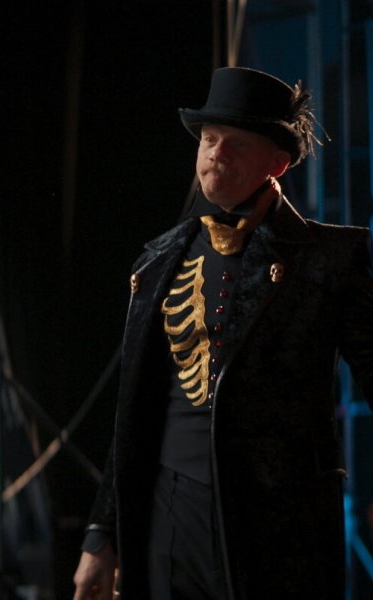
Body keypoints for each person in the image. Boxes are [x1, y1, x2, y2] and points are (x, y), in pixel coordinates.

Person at [73, 66, 373, 600]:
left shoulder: (326, 261)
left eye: (237, 144)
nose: (216, 153)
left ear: (277, 163)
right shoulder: (157, 261)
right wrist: (102, 535)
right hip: (167, 517)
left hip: (276, 532)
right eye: (210, 139)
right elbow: (135, 412)